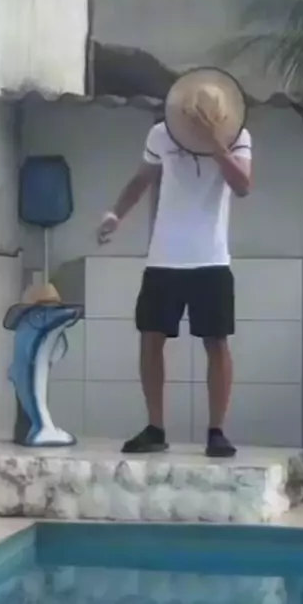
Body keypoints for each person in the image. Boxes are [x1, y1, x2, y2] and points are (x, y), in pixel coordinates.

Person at [96, 80, 252, 457]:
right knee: (151, 338)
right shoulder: (161, 134)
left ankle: (216, 431)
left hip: (211, 258)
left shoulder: (237, 136)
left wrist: (214, 144)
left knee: (216, 342)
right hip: (164, 257)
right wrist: (116, 215)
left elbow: (243, 185)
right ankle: (155, 428)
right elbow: (142, 179)